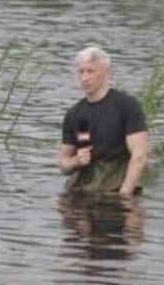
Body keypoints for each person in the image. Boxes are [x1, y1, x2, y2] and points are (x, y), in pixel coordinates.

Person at [57, 45, 149, 196]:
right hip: (83, 189)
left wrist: (124, 195)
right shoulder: (74, 114)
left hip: (117, 189)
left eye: (91, 71)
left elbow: (139, 155)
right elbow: (63, 164)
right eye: (81, 71)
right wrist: (76, 161)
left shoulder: (126, 106)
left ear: (107, 72)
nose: (85, 78)